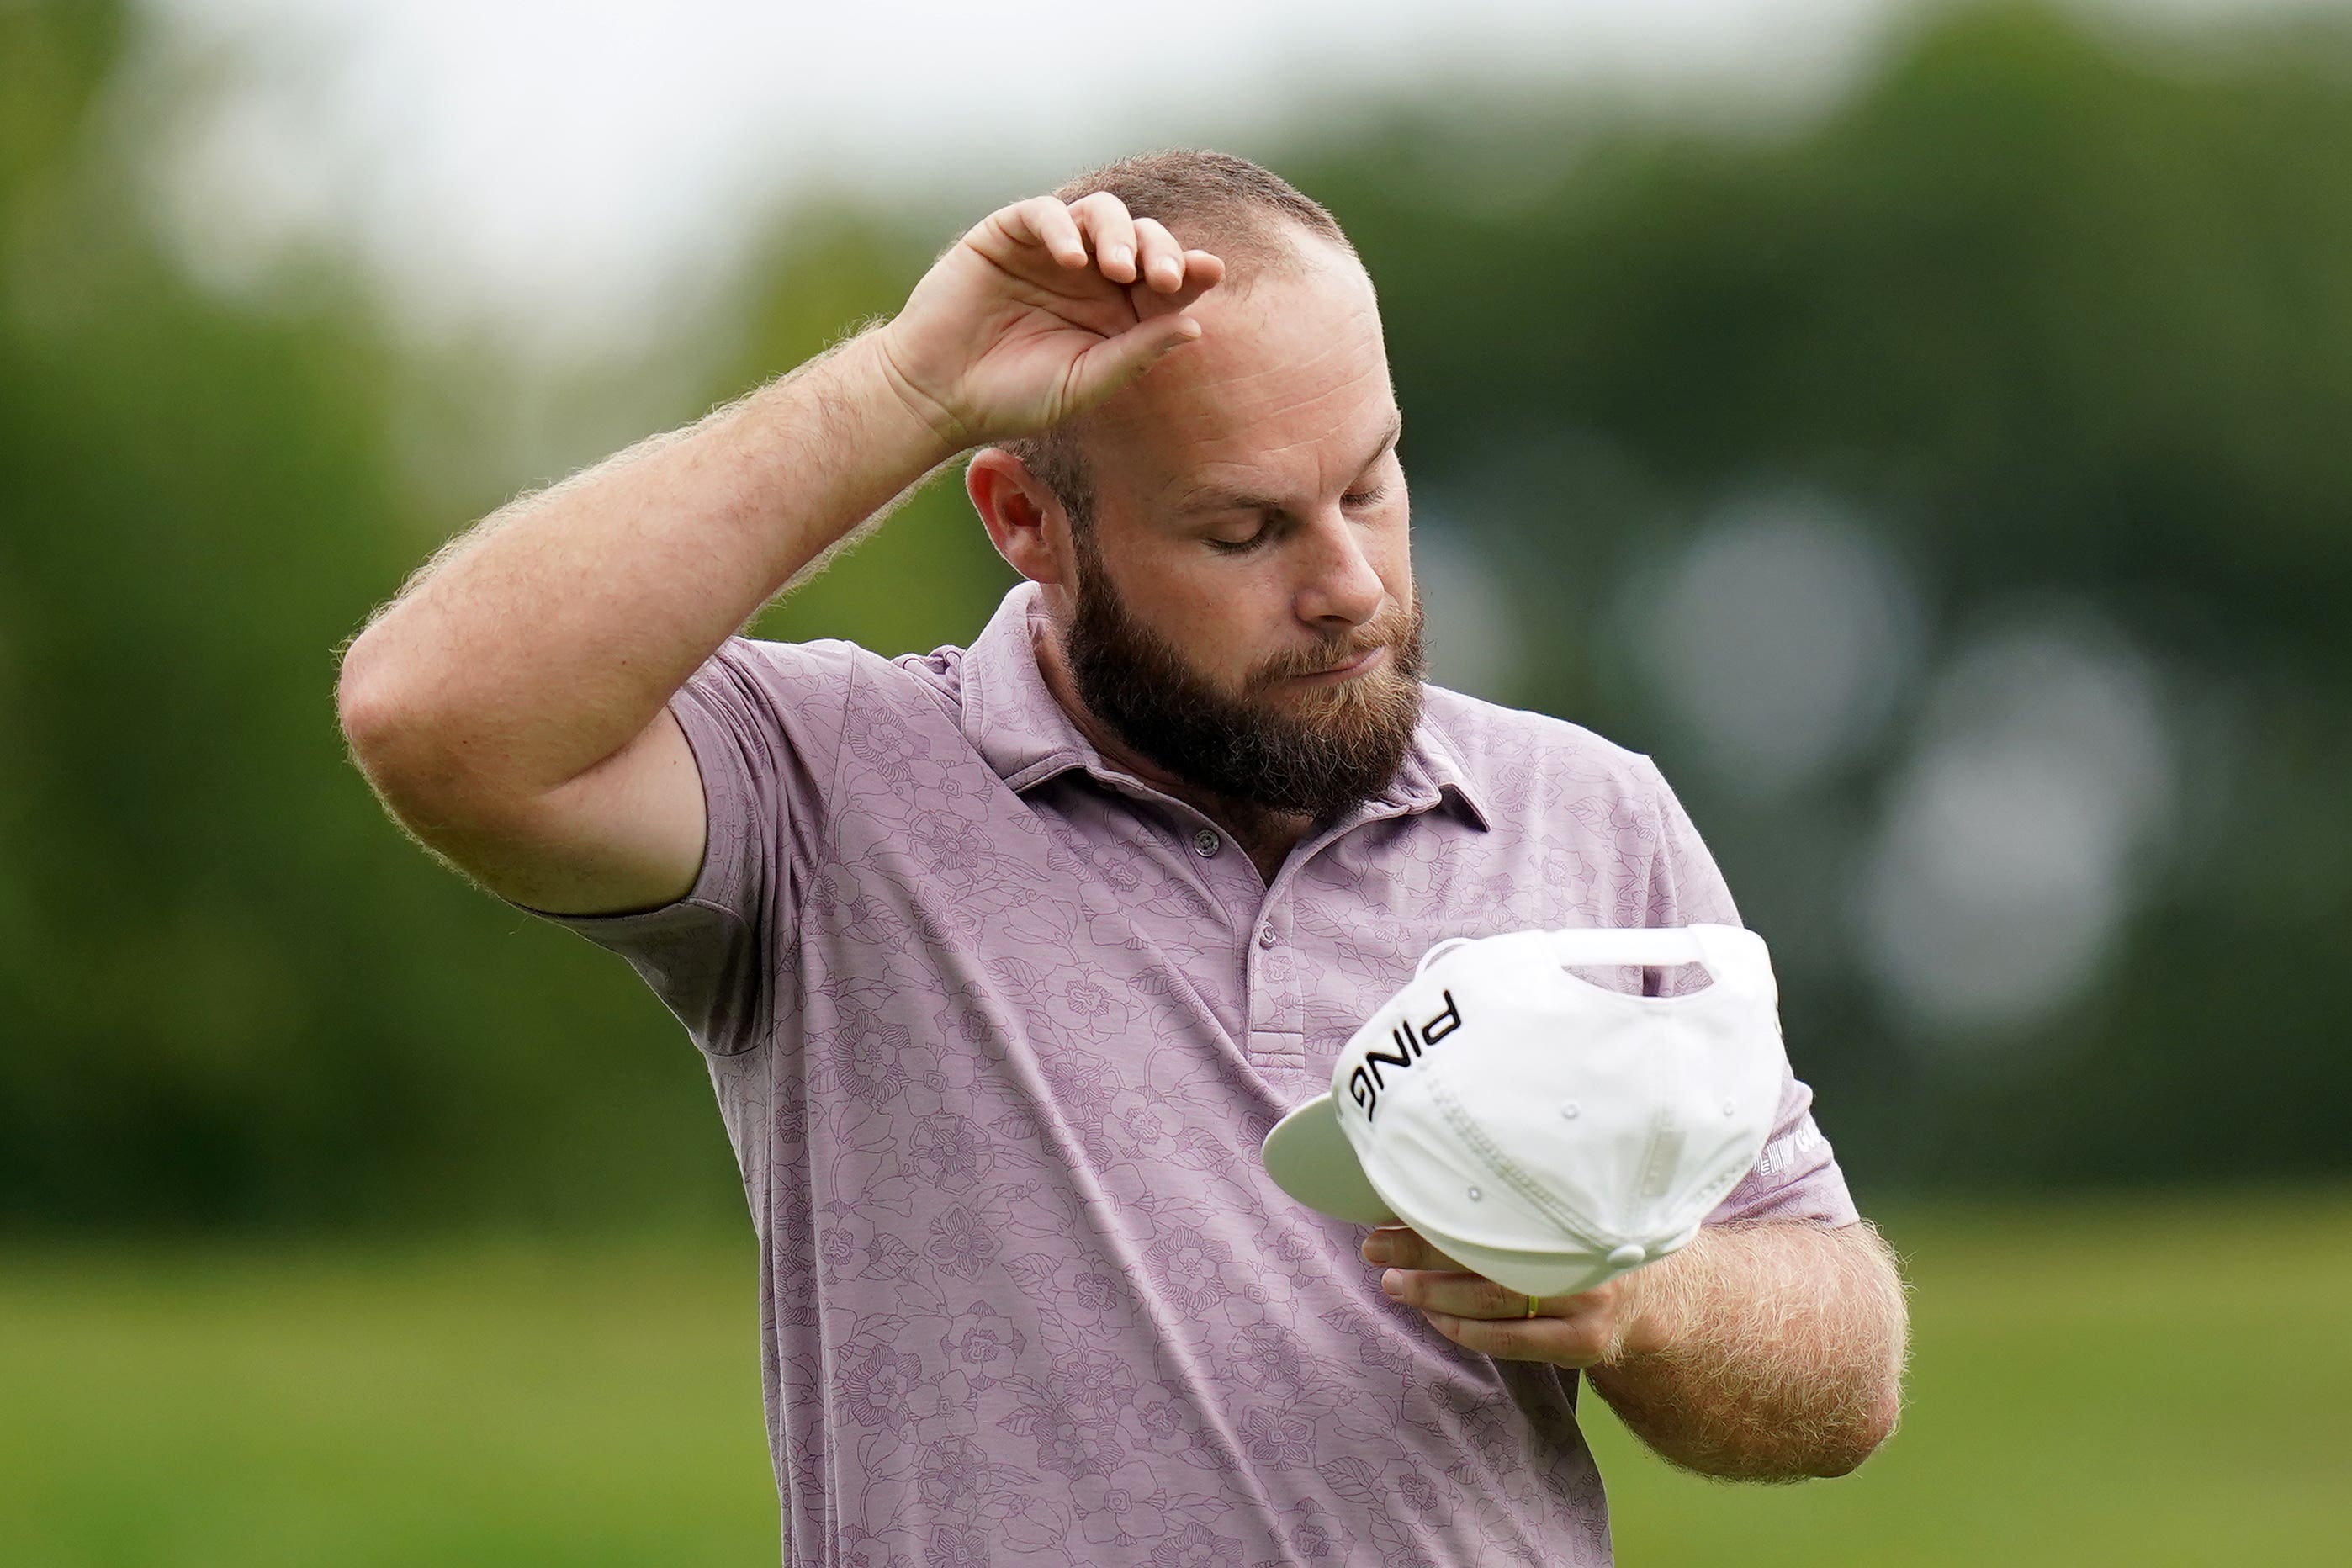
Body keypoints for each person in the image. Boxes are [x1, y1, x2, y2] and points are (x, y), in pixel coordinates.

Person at [336, 148, 1907, 1567]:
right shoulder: (831, 793)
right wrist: (907, 385)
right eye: (1245, 534)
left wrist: (1643, 1302)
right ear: (1025, 517)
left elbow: (1844, 1369)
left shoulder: (1583, 813)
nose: (1350, 584)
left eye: (1369, 481)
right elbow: (436, 717)